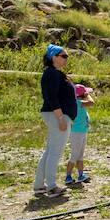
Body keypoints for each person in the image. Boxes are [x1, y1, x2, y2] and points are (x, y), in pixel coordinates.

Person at [33, 44, 76, 198]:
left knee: (51, 150)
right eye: (63, 56)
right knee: (55, 152)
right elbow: (51, 97)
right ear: (54, 57)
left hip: (58, 114)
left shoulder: (56, 73)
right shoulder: (51, 74)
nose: (66, 59)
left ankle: (39, 185)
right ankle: (51, 186)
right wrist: (60, 118)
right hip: (57, 115)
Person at [65, 85, 94, 185]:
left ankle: (81, 174)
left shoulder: (77, 103)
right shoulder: (77, 103)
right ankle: (68, 176)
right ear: (82, 95)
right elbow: (91, 102)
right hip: (77, 133)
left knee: (80, 155)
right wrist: (87, 95)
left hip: (82, 131)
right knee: (74, 155)